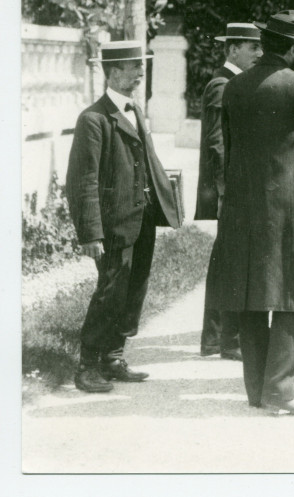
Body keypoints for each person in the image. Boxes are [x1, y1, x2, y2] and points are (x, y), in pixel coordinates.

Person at [205, 10, 294, 415]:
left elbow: (228, 146)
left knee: (252, 295)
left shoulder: (233, 87)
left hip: (244, 205)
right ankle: (284, 389)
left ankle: (258, 390)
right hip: (293, 206)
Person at [65, 40, 182, 393]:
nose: (140, 72)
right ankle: (87, 365)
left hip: (141, 218)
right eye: (135, 66)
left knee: (134, 289)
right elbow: (82, 180)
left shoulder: (135, 110)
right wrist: (90, 234)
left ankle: (113, 358)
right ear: (114, 71)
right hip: (114, 223)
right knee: (111, 291)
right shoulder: (93, 119)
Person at [194, 23, 262, 361]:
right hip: (230, 191)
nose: (259, 54)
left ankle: (217, 339)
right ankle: (220, 340)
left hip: (235, 189)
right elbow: (217, 145)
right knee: (228, 262)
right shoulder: (223, 84)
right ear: (233, 49)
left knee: (226, 261)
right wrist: (226, 191)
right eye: (253, 48)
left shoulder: (234, 82)